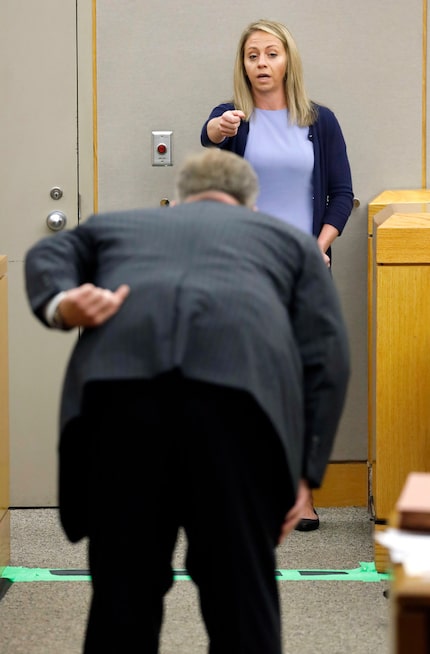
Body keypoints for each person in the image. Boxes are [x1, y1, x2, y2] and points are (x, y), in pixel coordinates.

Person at [25, 148, 350, 654]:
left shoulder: (121, 225)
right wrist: (304, 471)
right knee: (241, 600)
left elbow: (47, 254)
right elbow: (327, 355)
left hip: (120, 406)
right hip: (236, 411)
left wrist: (63, 302)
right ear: (251, 208)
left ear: (177, 203)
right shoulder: (289, 240)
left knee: (122, 598)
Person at [200, 18, 354, 530]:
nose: (262, 64)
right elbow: (211, 150)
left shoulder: (319, 121)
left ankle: (299, 495)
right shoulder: (232, 118)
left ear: (288, 60)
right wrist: (215, 132)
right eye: (252, 56)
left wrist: (320, 246)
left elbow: (339, 194)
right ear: (242, 65)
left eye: (271, 54)